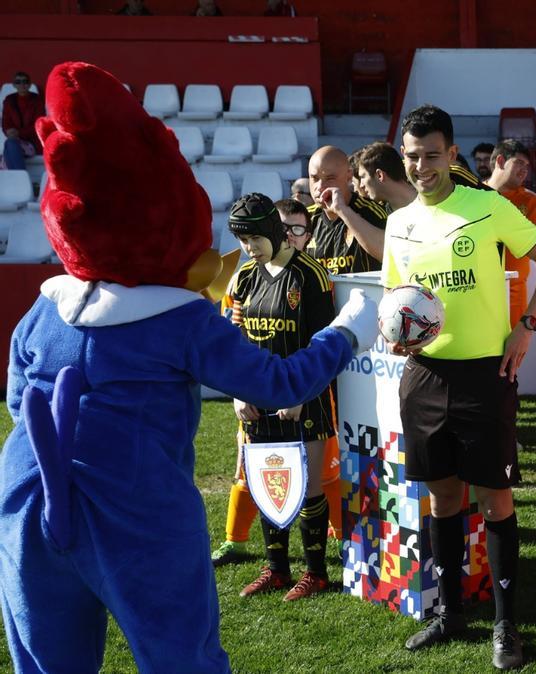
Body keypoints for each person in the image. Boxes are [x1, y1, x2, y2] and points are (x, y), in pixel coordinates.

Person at [0, 61, 376, 673]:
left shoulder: (44, 311)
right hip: (134, 498)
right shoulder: (178, 318)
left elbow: (19, 400)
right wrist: (348, 328)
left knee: (46, 662)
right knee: (180, 655)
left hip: (24, 489)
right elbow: (283, 384)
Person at [383, 104, 536, 670]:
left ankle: (506, 626)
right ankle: (451, 614)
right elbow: (400, 297)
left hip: (486, 372)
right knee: (442, 498)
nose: (421, 167)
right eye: (412, 158)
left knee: (495, 499)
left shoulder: (487, 208)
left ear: (453, 155)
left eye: (431, 156)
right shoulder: (399, 222)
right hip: (424, 375)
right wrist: (398, 333)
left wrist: (527, 325)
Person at [221, 194, 337, 600]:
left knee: (308, 487)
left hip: (305, 398)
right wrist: (238, 392)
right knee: (267, 484)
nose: (248, 247)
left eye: (253, 238)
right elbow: (232, 343)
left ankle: (317, 573)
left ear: (273, 229)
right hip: (256, 399)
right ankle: (277, 570)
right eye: (242, 239)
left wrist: (302, 392)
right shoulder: (245, 277)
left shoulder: (310, 276)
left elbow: (323, 344)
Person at [486, 139, 536, 326]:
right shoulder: (472, 195)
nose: (524, 170)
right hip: (477, 294)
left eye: (527, 166)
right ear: (500, 161)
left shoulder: (531, 201)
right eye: (519, 163)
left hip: (514, 298)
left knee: (511, 355)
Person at [304, 145, 390, 275]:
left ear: (349, 177)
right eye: (315, 178)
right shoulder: (305, 217)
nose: (320, 186)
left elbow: (388, 254)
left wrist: (342, 210)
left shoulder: (372, 212)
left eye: (330, 178)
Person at [355, 141, 416, 212]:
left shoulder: (429, 199)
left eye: (363, 177)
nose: (361, 185)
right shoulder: (383, 216)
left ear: (380, 175)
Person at [2, 71, 44, 171]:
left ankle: (18, 177)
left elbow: (39, 124)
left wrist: (18, 133)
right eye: (18, 82)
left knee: (10, 145)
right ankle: (20, 178)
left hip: (33, 143)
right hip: (15, 140)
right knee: (10, 143)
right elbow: (5, 122)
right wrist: (9, 131)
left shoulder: (37, 100)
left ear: (29, 84)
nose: (22, 85)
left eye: (25, 81)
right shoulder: (9, 100)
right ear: (14, 85)